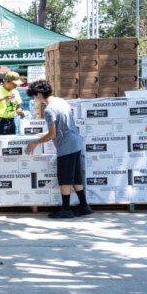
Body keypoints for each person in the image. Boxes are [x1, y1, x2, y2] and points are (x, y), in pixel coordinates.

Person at [25, 80, 94, 219]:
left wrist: (35, 143)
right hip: (75, 142)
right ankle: (84, 206)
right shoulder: (60, 101)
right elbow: (60, 127)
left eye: (34, 96)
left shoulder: (49, 110)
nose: (34, 100)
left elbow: (53, 134)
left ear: (39, 94)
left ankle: (66, 209)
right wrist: (42, 134)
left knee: (64, 178)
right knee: (75, 177)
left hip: (65, 146)